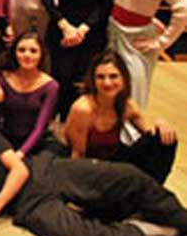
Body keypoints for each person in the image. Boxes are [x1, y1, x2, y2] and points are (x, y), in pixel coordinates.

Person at [0, 87, 187, 236]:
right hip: (26, 204)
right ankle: (143, 229)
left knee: (128, 176)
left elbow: (19, 170)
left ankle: (182, 220)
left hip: (44, 169)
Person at [64, 50, 177, 184]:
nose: (107, 83)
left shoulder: (126, 104)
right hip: (90, 168)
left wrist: (161, 124)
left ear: (124, 78)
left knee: (165, 140)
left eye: (113, 76)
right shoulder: (83, 109)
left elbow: (150, 136)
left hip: (113, 163)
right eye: (100, 77)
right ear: (93, 81)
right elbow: (77, 156)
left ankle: (153, 188)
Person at [0, 32, 59, 158]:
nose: (27, 55)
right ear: (14, 52)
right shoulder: (1, 78)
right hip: (6, 139)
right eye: (21, 50)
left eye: (33, 51)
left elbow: (39, 127)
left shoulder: (51, 86)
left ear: (41, 54)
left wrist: (20, 153)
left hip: (37, 143)